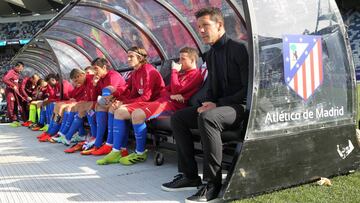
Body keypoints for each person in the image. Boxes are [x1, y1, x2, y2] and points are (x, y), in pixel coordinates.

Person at [161, 7, 249, 203]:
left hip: (242, 108)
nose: (201, 30)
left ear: (219, 25)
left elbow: (249, 89)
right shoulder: (210, 55)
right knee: (179, 118)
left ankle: (212, 184)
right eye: (198, 27)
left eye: (205, 26)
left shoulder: (239, 48)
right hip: (221, 107)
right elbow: (212, 87)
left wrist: (217, 104)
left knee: (208, 118)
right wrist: (208, 102)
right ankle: (190, 176)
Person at [96, 46, 203, 165]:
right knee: (119, 111)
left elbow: (176, 89)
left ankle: (140, 153)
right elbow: (166, 90)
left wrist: (174, 72)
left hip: (171, 106)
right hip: (163, 102)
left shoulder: (195, 74)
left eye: (183, 59)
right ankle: (117, 150)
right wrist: (172, 94)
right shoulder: (181, 74)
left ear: (193, 60)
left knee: (136, 114)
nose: (179, 62)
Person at [85, 46, 165, 156]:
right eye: (127, 57)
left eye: (131, 57)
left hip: (155, 103)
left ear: (140, 58)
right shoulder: (135, 72)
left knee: (119, 110)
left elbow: (147, 97)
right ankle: (115, 147)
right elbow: (128, 89)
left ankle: (119, 148)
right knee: (113, 107)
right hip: (144, 102)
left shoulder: (148, 70)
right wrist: (115, 97)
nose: (128, 59)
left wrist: (123, 102)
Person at [2, 62, 24, 126]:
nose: (21, 70)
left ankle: (15, 118)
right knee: (11, 104)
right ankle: (12, 119)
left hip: (15, 92)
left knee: (15, 104)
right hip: (10, 91)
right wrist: (12, 85)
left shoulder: (17, 73)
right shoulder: (11, 72)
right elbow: (5, 79)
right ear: (17, 66)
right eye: (20, 68)